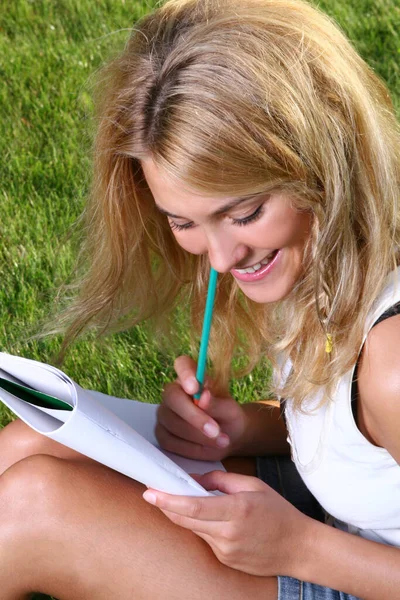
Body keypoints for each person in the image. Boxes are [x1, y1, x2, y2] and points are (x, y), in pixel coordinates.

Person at [1, 0, 399, 598]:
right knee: (28, 444)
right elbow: (355, 436)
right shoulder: (325, 259)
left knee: (34, 511)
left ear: (324, 159)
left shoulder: (393, 362)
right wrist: (247, 430)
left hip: (359, 569)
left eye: (244, 213)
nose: (220, 258)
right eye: (182, 222)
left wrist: (299, 547)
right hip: (336, 519)